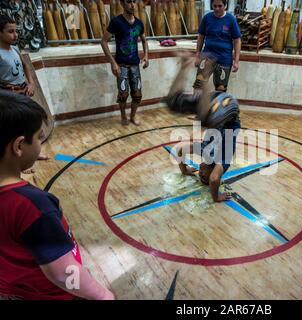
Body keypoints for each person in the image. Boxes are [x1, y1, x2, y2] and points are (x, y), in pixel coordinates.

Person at [0, 90, 115, 300]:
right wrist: (103, 296)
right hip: (48, 293)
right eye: (38, 138)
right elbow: (62, 273)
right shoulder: (32, 206)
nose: (40, 144)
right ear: (18, 146)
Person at [165, 53, 240, 202]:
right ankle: (206, 73)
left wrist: (185, 170)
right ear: (211, 170)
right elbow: (214, 179)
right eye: (203, 175)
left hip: (212, 103)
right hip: (229, 109)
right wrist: (216, 197)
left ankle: (184, 65)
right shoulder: (222, 161)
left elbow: (180, 150)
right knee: (207, 120)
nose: (200, 173)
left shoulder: (204, 151)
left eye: (200, 175)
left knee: (173, 103)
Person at [0, 15, 48, 166]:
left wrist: (31, 83)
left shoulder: (14, 48)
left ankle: (33, 154)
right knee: (15, 131)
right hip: (9, 95)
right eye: (10, 31)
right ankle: (19, 163)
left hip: (23, 92)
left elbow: (26, 66)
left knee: (29, 124)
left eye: (16, 31)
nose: (15, 35)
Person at [101, 0, 149, 126]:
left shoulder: (139, 23)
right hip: (121, 65)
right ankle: (123, 116)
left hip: (135, 65)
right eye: (129, 2)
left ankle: (133, 116)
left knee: (137, 95)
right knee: (123, 94)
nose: (132, 5)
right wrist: (113, 63)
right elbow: (104, 42)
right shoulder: (116, 22)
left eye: (134, 1)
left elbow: (144, 41)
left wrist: (146, 56)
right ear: (122, 3)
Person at [193, 0, 242, 94]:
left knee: (221, 88)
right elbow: (201, 36)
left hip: (224, 58)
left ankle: (218, 107)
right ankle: (196, 106)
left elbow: (237, 40)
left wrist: (236, 61)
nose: (217, 9)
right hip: (207, 56)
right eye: (214, 6)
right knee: (199, 83)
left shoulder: (231, 19)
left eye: (220, 6)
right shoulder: (207, 18)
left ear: (225, 5)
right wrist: (198, 54)